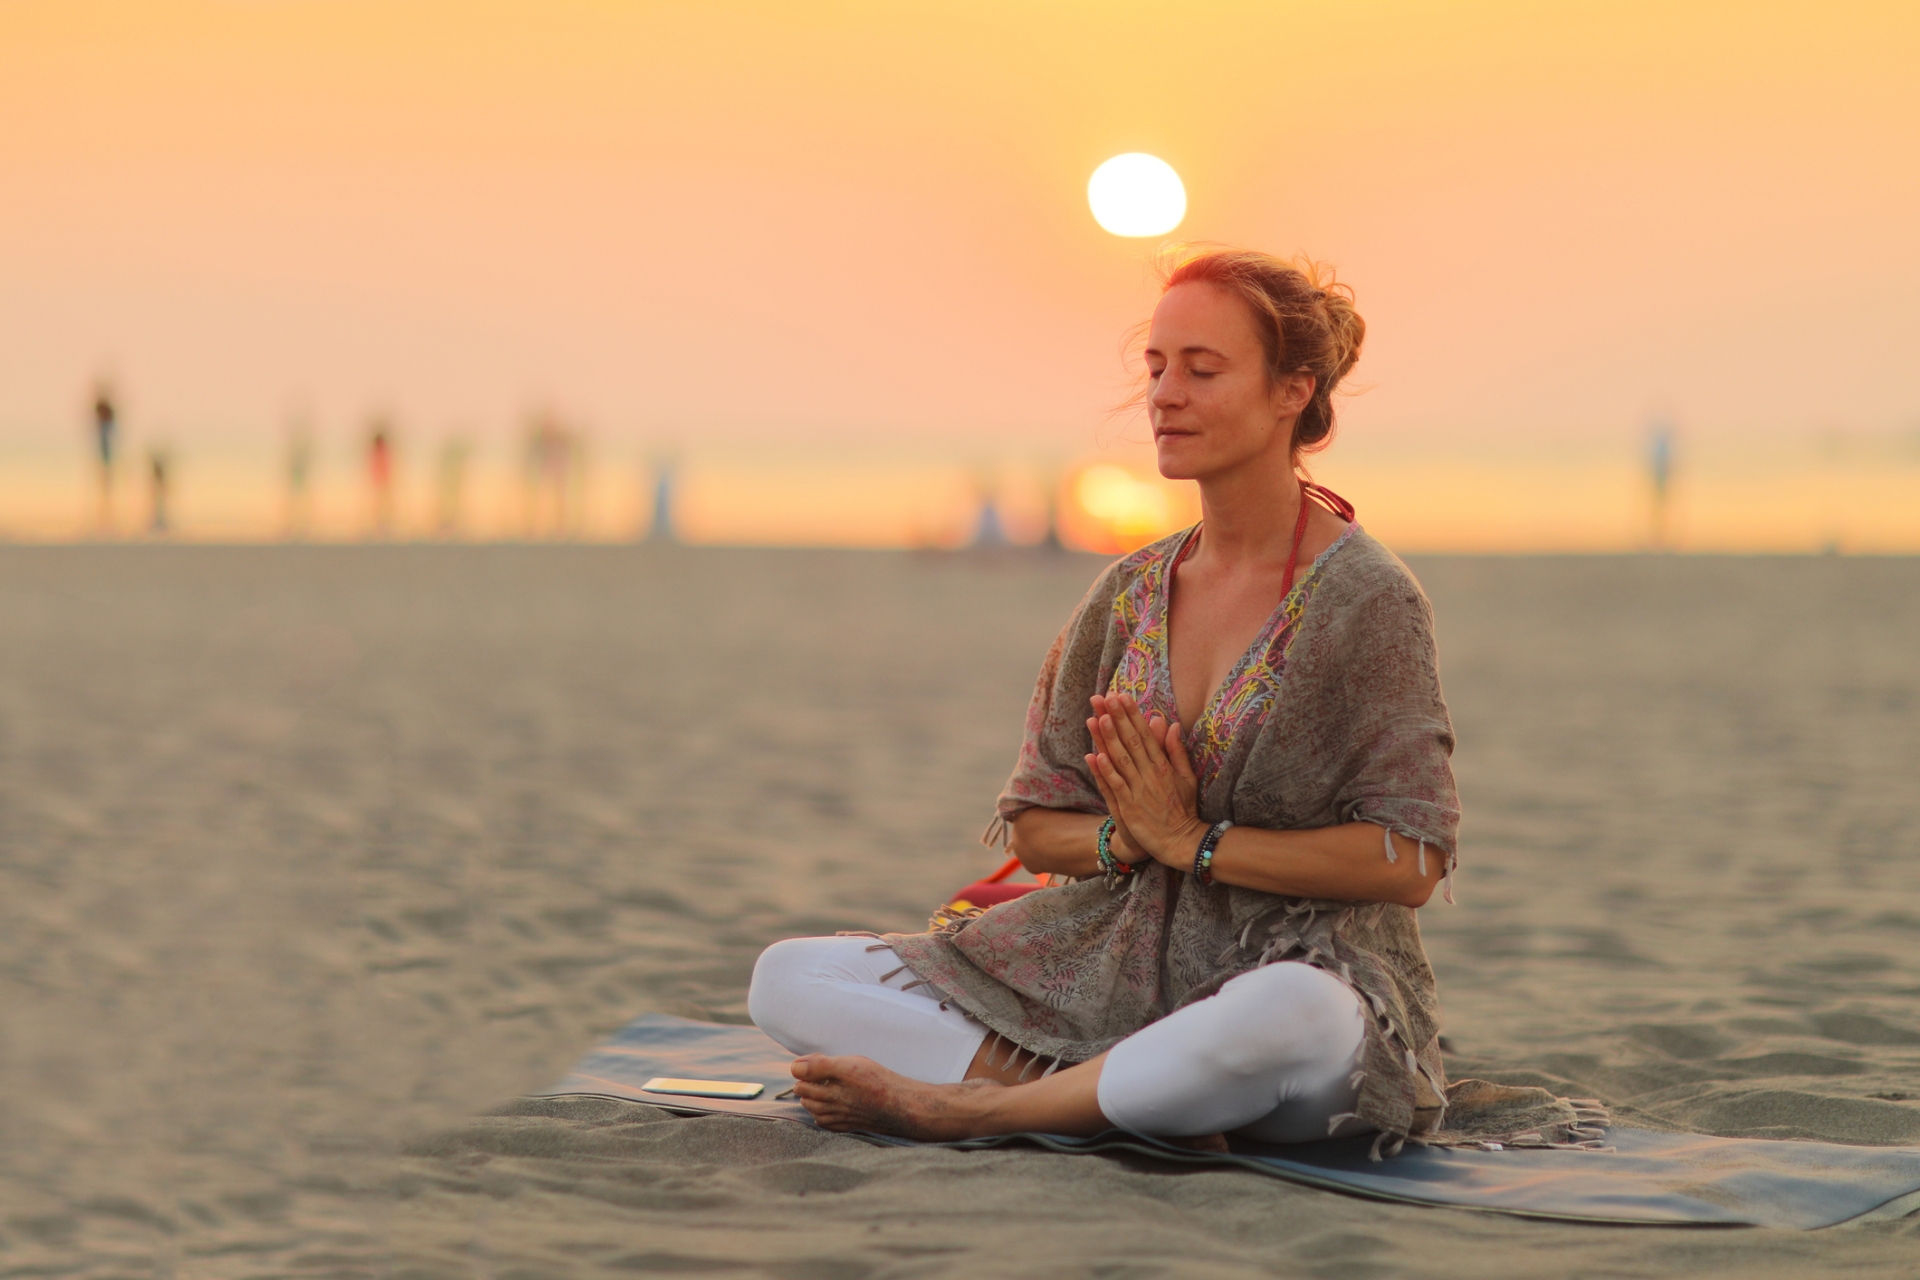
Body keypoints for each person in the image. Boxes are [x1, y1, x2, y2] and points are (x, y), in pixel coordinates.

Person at [749, 248, 1461, 1158]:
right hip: (1110, 969)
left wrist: (1194, 843)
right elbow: (1036, 825)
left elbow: (1410, 862)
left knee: (1284, 1016)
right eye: (1156, 368)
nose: (1164, 395)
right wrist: (1128, 838)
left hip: (1301, 971)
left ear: (1293, 391)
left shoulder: (1367, 599)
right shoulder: (1129, 593)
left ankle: (978, 1108)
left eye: (1202, 370)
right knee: (788, 978)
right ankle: (1126, 1092)